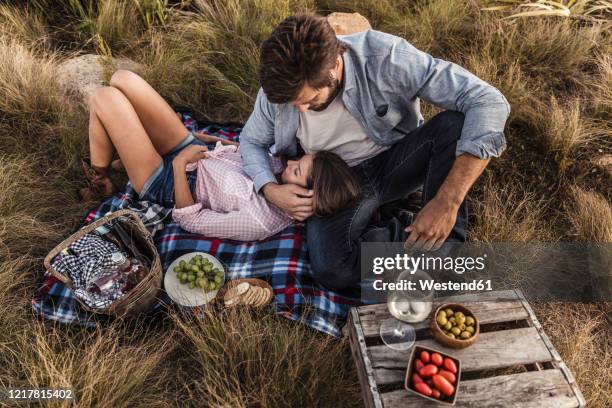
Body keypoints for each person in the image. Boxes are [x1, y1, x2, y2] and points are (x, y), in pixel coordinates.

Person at [239, 14, 511, 290]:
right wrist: (270, 189)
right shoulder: (280, 89)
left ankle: (445, 249)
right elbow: (250, 141)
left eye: (309, 100)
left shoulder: (386, 57)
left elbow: (489, 101)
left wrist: (448, 201)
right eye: (293, 102)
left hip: (396, 161)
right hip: (333, 179)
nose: (300, 110)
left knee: (455, 125)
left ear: (334, 65)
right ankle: (410, 229)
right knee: (333, 270)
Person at [79, 70, 361, 241]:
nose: (292, 162)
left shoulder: (257, 220)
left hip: (167, 182)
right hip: (194, 150)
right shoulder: (281, 173)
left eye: (298, 170)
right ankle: (117, 162)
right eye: (301, 160)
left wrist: (178, 167)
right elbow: (245, 154)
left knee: (105, 97)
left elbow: (191, 220)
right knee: (122, 79)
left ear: (304, 197)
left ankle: (101, 178)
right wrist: (215, 141)